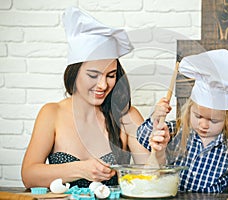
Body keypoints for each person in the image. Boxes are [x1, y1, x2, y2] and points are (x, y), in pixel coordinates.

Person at [21, 7, 168, 189]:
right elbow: (29, 176)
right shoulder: (52, 113)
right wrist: (81, 169)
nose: (103, 85)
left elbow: (151, 178)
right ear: (74, 73)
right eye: (93, 75)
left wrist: (158, 152)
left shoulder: (126, 116)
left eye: (111, 75)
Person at [137, 49, 228, 193]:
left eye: (213, 121)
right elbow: (142, 137)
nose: (203, 125)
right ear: (189, 111)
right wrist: (156, 118)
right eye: (198, 116)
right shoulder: (177, 130)